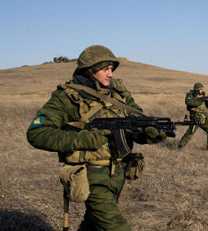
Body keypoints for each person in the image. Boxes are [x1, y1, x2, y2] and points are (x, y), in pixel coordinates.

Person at [26, 45, 165, 231]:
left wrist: (148, 134)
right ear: (90, 71)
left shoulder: (119, 93)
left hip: (117, 173)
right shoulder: (67, 97)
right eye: (105, 69)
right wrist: (83, 140)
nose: (110, 75)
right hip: (91, 175)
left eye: (111, 69)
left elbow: (135, 123)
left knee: (92, 224)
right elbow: (37, 133)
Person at [178, 83, 208, 150]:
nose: (202, 90)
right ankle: (180, 147)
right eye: (200, 89)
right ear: (197, 90)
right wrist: (200, 101)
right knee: (190, 132)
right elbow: (189, 102)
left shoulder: (203, 94)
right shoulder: (190, 95)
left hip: (204, 116)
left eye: (202, 89)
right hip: (196, 116)